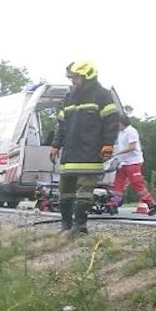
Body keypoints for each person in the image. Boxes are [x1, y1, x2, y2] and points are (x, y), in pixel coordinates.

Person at [51, 60, 119, 234]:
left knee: (84, 191)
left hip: (90, 153)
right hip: (70, 154)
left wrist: (108, 144)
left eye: (76, 77)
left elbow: (111, 122)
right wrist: (56, 145)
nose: (73, 81)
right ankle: (66, 226)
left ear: (87, 76)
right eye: (72, 78)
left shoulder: (102, 96)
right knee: (65, 192)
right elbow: (61, 125)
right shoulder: (69, 98)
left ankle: (80, 226)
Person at [110, 115, 156, 215]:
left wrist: (118, 153)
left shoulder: (131, 131)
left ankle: (151, 203)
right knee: (118, 183)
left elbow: (132, 147)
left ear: (121, 122)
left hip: (133, 161)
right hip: (123, 162)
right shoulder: (121, 133)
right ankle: (114, 203)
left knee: (136, 183)